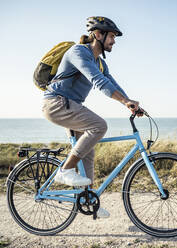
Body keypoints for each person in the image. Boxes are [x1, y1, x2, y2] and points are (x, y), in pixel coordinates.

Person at [42, 16, 142, 216]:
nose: (114, 41)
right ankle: (65, 170)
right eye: (111, 36)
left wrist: (130, 103)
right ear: (98, 34)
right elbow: (99, 83)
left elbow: (111, 83)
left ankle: (87, 201)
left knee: (88, 152)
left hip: (70, 105)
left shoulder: (100, 62)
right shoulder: (79, 52)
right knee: (99, 126)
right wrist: (124, 101)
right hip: (57, 103)